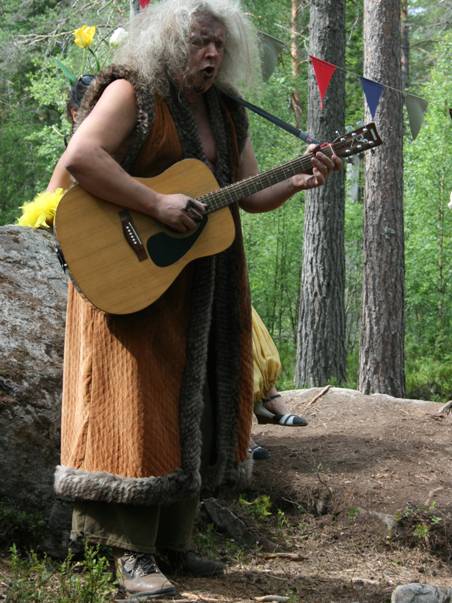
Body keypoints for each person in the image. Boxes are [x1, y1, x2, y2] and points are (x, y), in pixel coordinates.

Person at [48, 0, 340, 598]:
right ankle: (127, 554)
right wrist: (155, 204)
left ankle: (174, 545)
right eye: (197, 43)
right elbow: (80, 158)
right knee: (133, 404)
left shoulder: (226, 111)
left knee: (195, 402)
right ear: (165, 42)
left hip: (200, 280)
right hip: (125, 273)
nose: (210, 55)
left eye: (218, 45)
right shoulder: (133, 93)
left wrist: (300, 178)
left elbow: (246, 194)